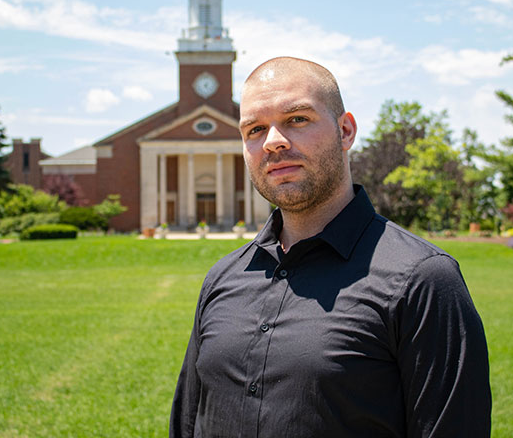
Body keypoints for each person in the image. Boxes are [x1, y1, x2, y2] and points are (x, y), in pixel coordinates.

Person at [169, 57, 491, 438]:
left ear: (345, 130)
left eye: (297, 119)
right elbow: (187, 425)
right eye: (255, 129)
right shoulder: (222, 279)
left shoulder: (423, 281)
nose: (273, 142)